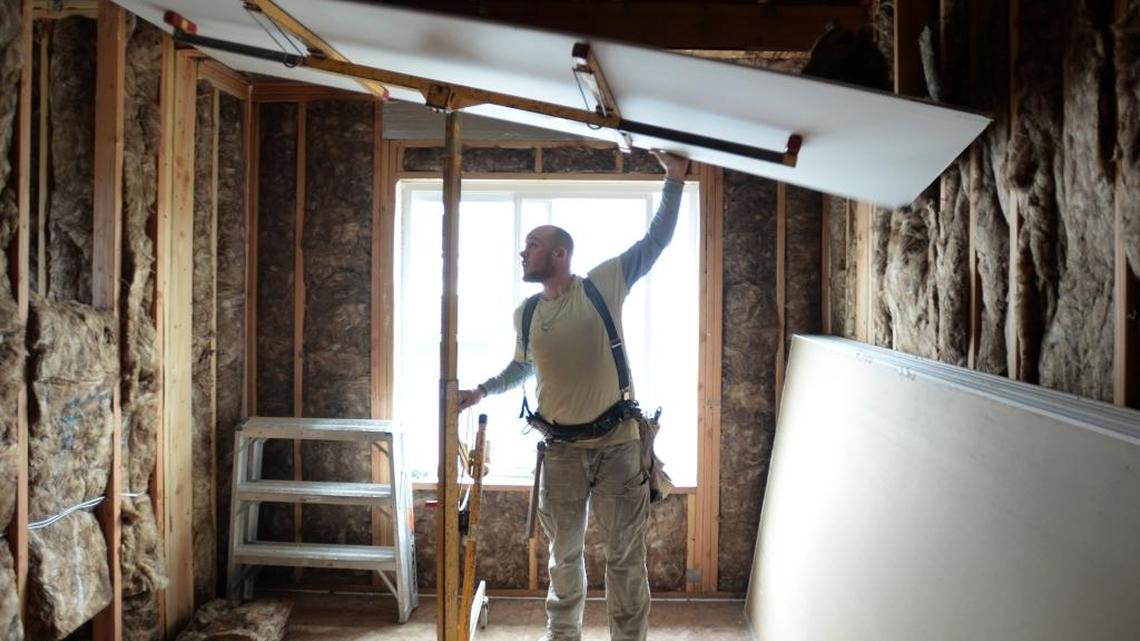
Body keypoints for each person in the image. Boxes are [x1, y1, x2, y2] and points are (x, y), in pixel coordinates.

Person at [457, 150, 690, 641]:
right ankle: (562, 636)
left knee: (625, 558)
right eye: (525, 247)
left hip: (619, 447)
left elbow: (656, 242)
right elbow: (522, 367)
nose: (523, 253)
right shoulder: (525, 314)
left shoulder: (603, 284)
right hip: (560, 452)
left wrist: (673, 180)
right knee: (563, 556)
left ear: (559, 254)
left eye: (532, 245)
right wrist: (482, 390)